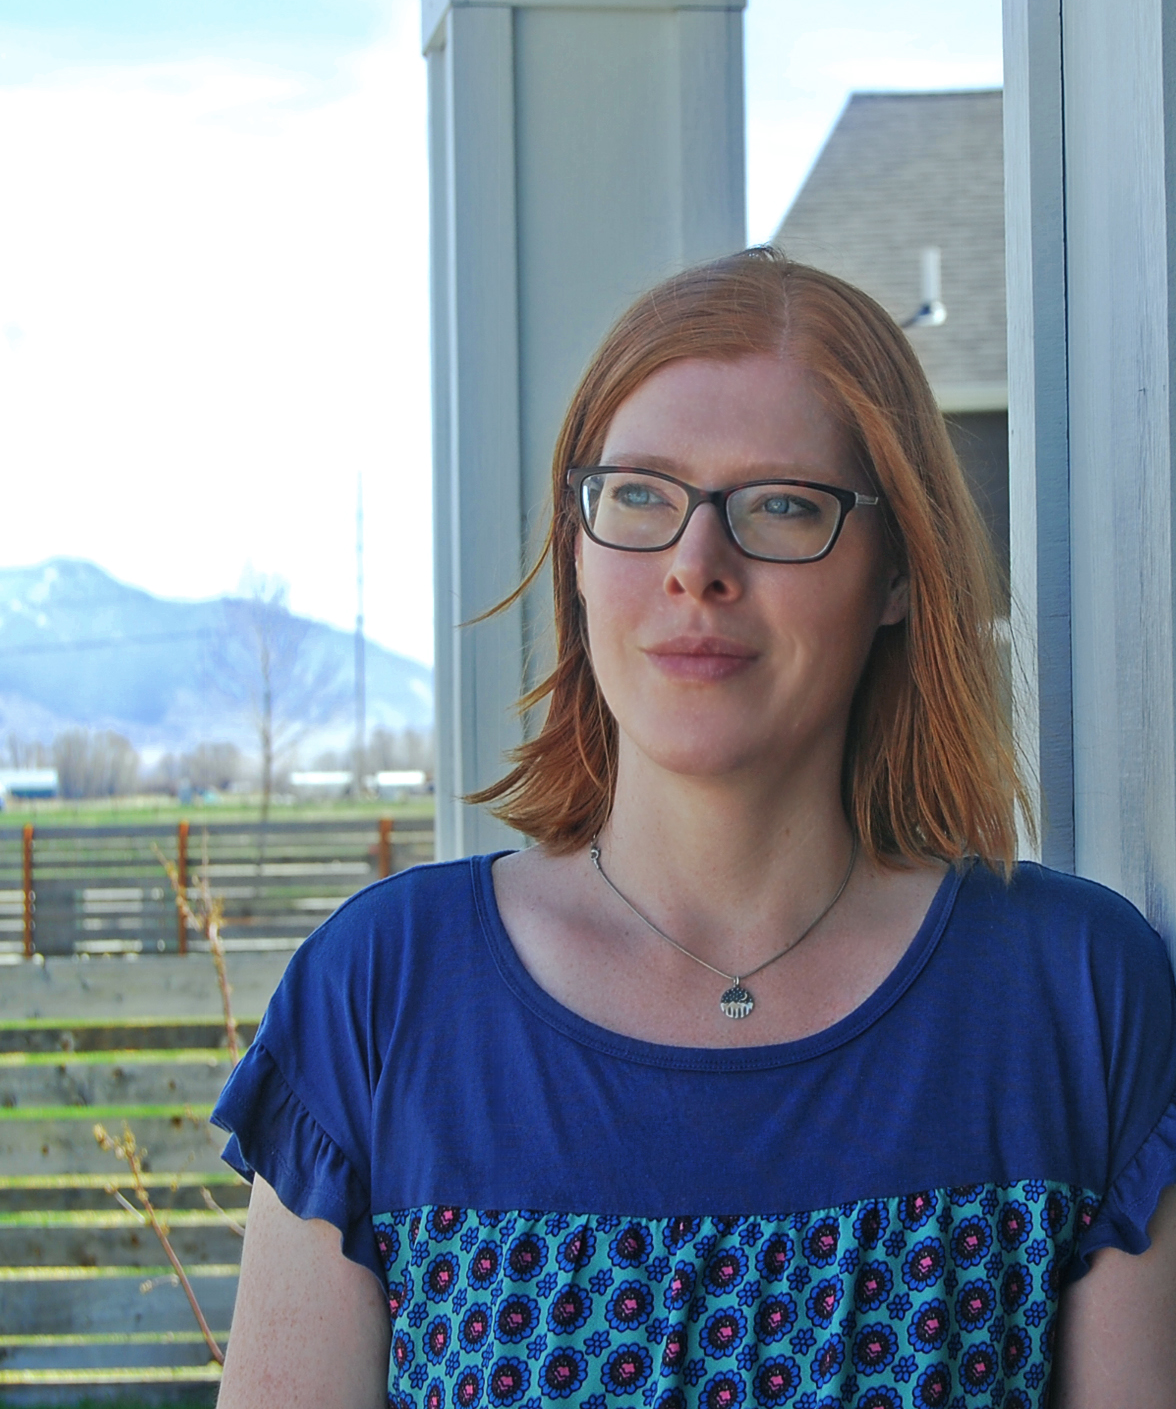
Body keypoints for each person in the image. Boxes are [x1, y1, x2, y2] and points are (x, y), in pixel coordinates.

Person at [212, 249, 1176, 1409]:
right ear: (575, 551)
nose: (695, 565)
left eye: (781, 505)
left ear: (899, 574)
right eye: (639, 495)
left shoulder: (1075, 995)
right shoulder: (382, 996)